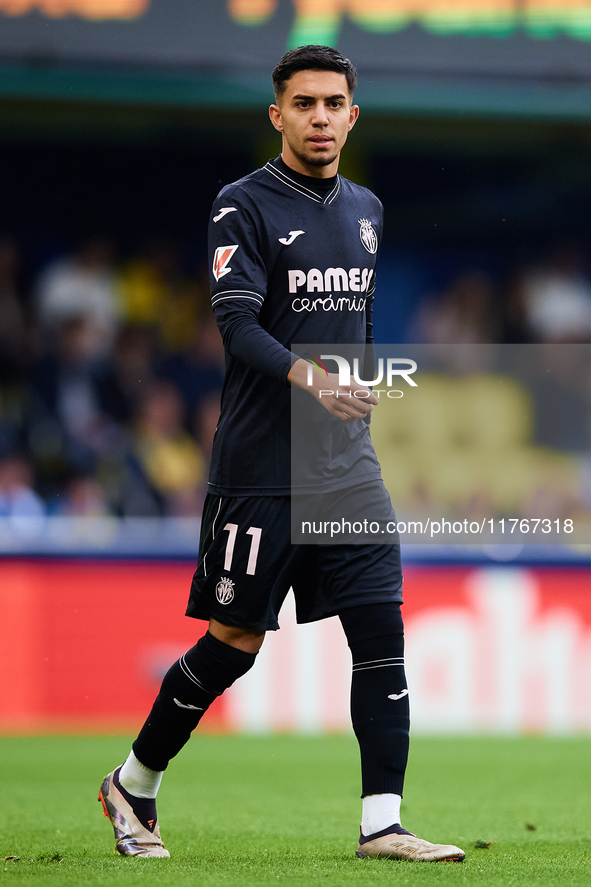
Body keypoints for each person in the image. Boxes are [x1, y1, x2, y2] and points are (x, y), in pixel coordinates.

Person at [98, 45, 465, 865]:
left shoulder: (366, 208)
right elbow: (236, 325)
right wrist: (312, 379)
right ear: (278, 115)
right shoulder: (243, 205)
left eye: (334, 103)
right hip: (262, 463)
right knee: (234, 641)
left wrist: (357, 389)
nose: (321, 117)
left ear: (353, 114)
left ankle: (382, 823)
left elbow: (357, 328)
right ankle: (135, 781)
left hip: (344, 465)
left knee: (380, 632)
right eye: (304, 104)